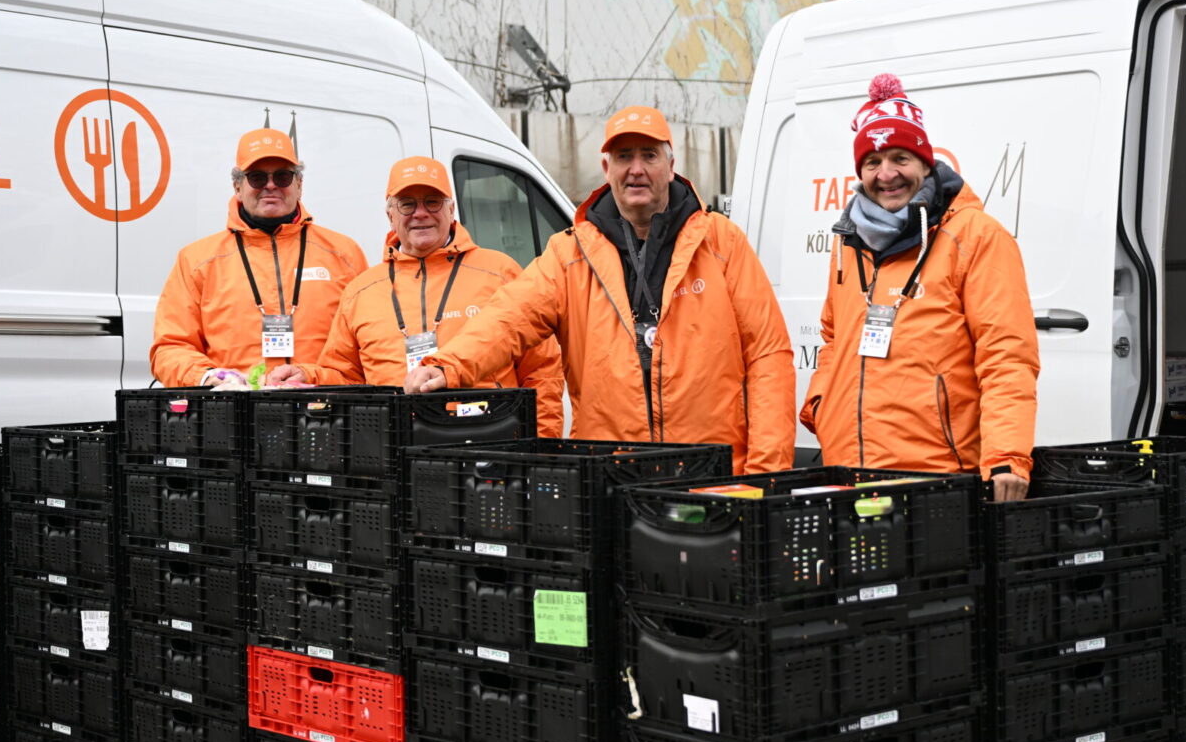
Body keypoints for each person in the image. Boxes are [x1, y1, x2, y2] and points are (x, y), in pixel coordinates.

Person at [406, 107, 795, 474]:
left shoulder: (722, 243)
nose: (637, 170)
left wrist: (765, 473)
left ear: (672, 167)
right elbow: (507, 318)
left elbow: (768, 356)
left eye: (650, 156)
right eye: (625, 157)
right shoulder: (570, 253)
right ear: (607, 168)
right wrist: (448, 365)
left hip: (710, 477)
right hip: (610, 479)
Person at [800, 74, 1038, 499]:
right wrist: (821, 405)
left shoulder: (976, 236)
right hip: (848, 469)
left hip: (936, 476)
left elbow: (1006, 357)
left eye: (899, 158)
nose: (886, 174)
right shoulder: (849, 240)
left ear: (926, 163)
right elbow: (834, 337)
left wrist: (1007, 455)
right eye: (872, 162)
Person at [264, 156, 565, 435]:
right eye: (407, 204)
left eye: (432, 202)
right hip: (393, 445)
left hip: (489, 438)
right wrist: (306, 375)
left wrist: (542, 440)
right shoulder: (361, 290)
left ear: (451, 209)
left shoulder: (500, 272)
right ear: (390, 214)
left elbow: (542, 370)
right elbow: (346, 377)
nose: (421, 214)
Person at [150, 127, 368, 389]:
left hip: (324, 412)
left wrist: (314, 376)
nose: (271, 185)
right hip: (233, 414)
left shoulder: (344, 253)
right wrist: (209, 378)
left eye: (283, 176)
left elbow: (366, 346)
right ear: (238, 187)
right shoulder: (197, 260)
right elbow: (170, 347)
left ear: (299, 185)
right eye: (256, 177)